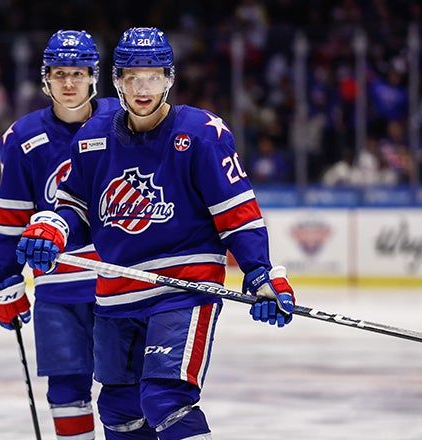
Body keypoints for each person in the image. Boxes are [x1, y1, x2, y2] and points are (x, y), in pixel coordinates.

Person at [17, 28, 296, 439]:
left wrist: (260, 273)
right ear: (116, 81)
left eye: (151, 76)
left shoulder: (202, 133)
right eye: (131, 76)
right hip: (116, 292)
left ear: (169, 78)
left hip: (183, 288)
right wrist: (52, 228)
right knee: (118, 409)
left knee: (166, 398)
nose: (141, 87)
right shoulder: (93, 138)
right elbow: (74, 205)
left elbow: (237, 214)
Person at [0, 30, 116, 440]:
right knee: (65, 390)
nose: (69, 83)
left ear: (94, 77)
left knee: (124, 390)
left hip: (116, 281)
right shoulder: (23, 137)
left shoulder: (119, 120)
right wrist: (6, 278)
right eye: (60, 74)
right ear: (45, 79)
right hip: (58, 288)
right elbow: (11, 219)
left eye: (78, 73)